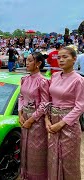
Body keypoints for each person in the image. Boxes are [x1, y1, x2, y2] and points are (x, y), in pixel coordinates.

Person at [46, 47, 84, 180]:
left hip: (69, 125)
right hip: (53, 122)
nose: (61, 60)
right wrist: (47, 120)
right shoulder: (55, 76)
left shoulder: (78, 80)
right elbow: (49, 99)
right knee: (53, 157)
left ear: (74, 59)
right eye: (59, 57)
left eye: (65, 57)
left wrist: (61, 123)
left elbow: (80, 106)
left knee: (68, 161)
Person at [19, 52, 49, 179]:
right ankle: (25, 174)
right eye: (27, 60)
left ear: (38, 64)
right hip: (24, 117)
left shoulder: (42, 81)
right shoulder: (24, 79)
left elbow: (45, 104)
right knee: (24, 147)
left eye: (30, 60)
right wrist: (20, 113)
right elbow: (21, 97)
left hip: (36, 121)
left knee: (36, 150)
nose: (27, 62)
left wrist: (31, 120)